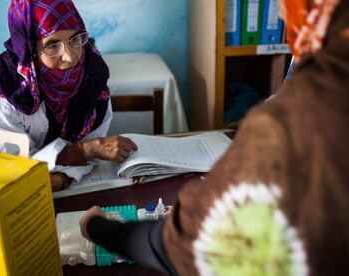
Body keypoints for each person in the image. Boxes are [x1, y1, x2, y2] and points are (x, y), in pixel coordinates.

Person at [80, 0, 349, 275]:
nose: (280, 13)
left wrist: (99, 228)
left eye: (287, 3)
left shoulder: (298, 117)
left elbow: (191, 246)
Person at [0, 0, 137, 191]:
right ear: (30, 48)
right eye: (52, 45)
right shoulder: (5, 95)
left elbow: (97, 147)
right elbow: (15, 165)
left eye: (75, 39)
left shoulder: (93, 76)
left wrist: (64, 177)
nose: (71, 57)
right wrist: (82, 152)